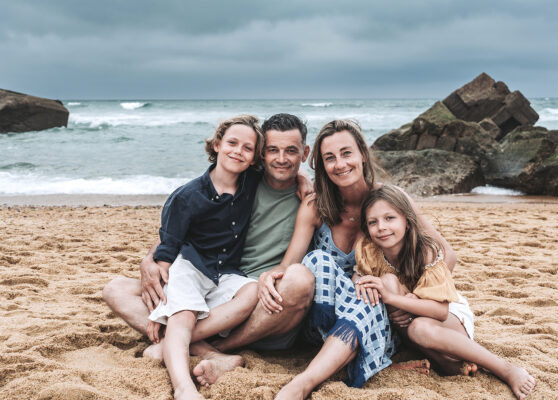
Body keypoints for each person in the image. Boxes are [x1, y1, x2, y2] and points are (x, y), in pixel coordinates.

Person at [102, 113, 314, 390]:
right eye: (272, 150)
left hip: (257, 303)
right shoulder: (231, 185)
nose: (281, 158)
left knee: (289, 283)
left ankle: (177, 341)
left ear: (304, 153)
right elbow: (179, 232)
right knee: (115, 288)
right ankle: (206, 354)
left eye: (291, 151)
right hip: (210, 282)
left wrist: (304, 178)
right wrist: (152, 260)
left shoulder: (303, 195)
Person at [274, 119, 456, 399]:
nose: (340, 164)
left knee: (371, 292)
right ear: (321, 166)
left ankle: (304, 382)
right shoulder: (315, 206)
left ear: (362, 153)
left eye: (346, 153)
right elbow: (290, 266)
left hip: (379, 317)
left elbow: (446, 254)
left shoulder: (389, 203)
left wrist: (411, 297)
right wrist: (267, 278)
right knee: (318, 259)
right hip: (323, 322)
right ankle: (348, 359)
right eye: (329, 158)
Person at [353, 185, 536, 399]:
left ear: (407, 221)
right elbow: (360, 275)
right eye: (373, 222)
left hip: (446, 315)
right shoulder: (369, 250)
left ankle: (505, 369)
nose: (381, 227)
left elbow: (439, 310)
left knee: (419, 327)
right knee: (388, 282)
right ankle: (450, 364)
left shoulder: (425, 251)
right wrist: (359, 281)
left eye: (389, 218)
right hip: (410, 322)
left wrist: (394, 299)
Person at [147, 114, 264, 400]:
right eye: (232, 143)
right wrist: (161, 291)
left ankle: (170, 341)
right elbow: (168, 247)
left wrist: (301, 179)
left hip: (225, 272)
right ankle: (183, 387)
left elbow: (284, 175)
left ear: (253, 158)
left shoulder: (252, 184)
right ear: (216, 145)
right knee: (182, 313)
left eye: (247, 148)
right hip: (190, 265)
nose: (238, 151)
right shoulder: (186, 196)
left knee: (252, 292)